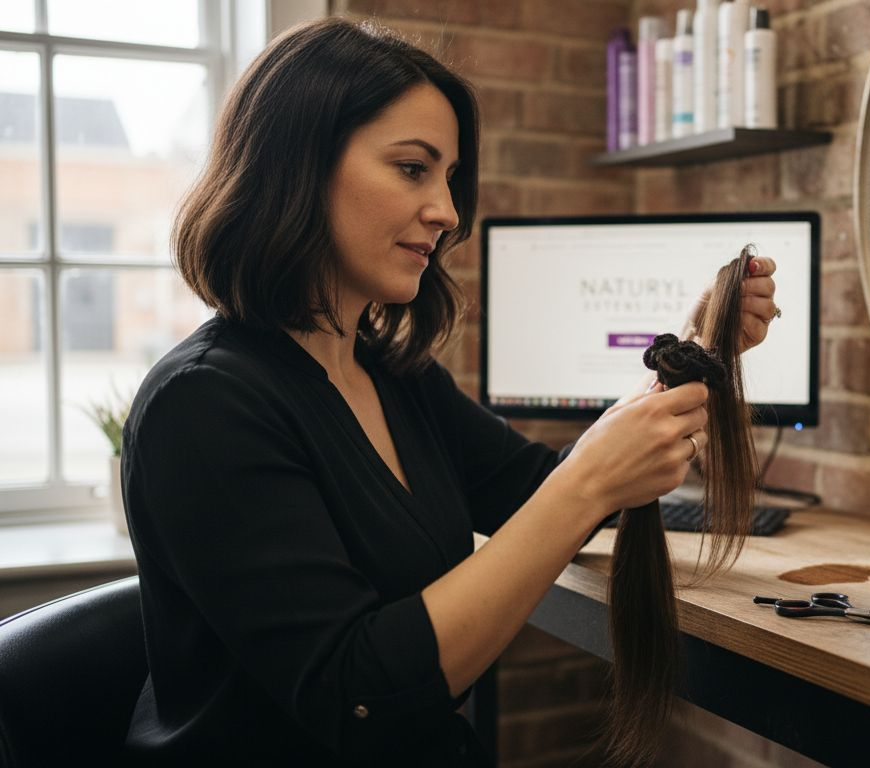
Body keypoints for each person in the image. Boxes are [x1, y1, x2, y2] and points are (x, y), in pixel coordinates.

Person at [120, 17, 779, 766]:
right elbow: (357, 700)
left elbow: (544, 493)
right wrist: (590, 481)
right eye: (412, 169)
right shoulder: (203, 406)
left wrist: (694, 355)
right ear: (295, 166)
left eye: (448, 177)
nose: (447, 211)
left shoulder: (392, 377)